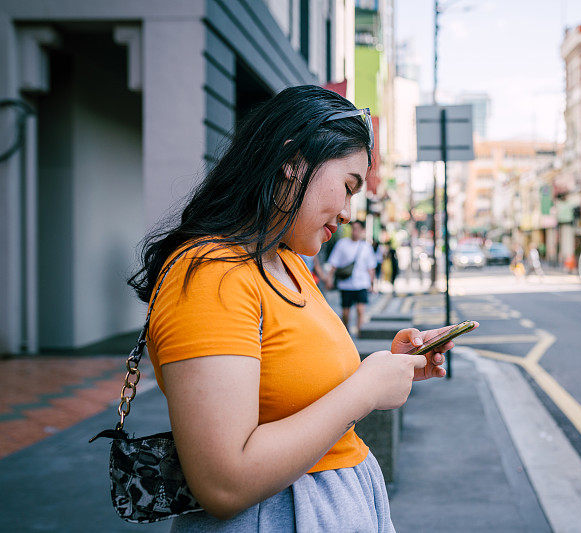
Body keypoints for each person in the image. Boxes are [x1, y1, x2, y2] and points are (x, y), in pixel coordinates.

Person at [128, 86, 472, 531]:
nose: (348, 212)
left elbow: (293, 383)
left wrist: (387, 368)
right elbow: (223, 483)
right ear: (293, 161)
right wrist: (365, 389)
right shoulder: (211, 272)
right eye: (348, 187)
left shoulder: (286, 260)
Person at [325, 220, 376, 336]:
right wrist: (329, 279)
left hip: (362, 283)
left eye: (358, 229)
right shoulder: (342, 244)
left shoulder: (366, 246)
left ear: (362, 231)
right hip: (346, 284)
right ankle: (346, 330)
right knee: (346, 312)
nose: (355, 232)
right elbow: (333, 264)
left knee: (360, 310)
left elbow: (371, 268)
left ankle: (360, 332)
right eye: (353, 229)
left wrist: (372, 284)